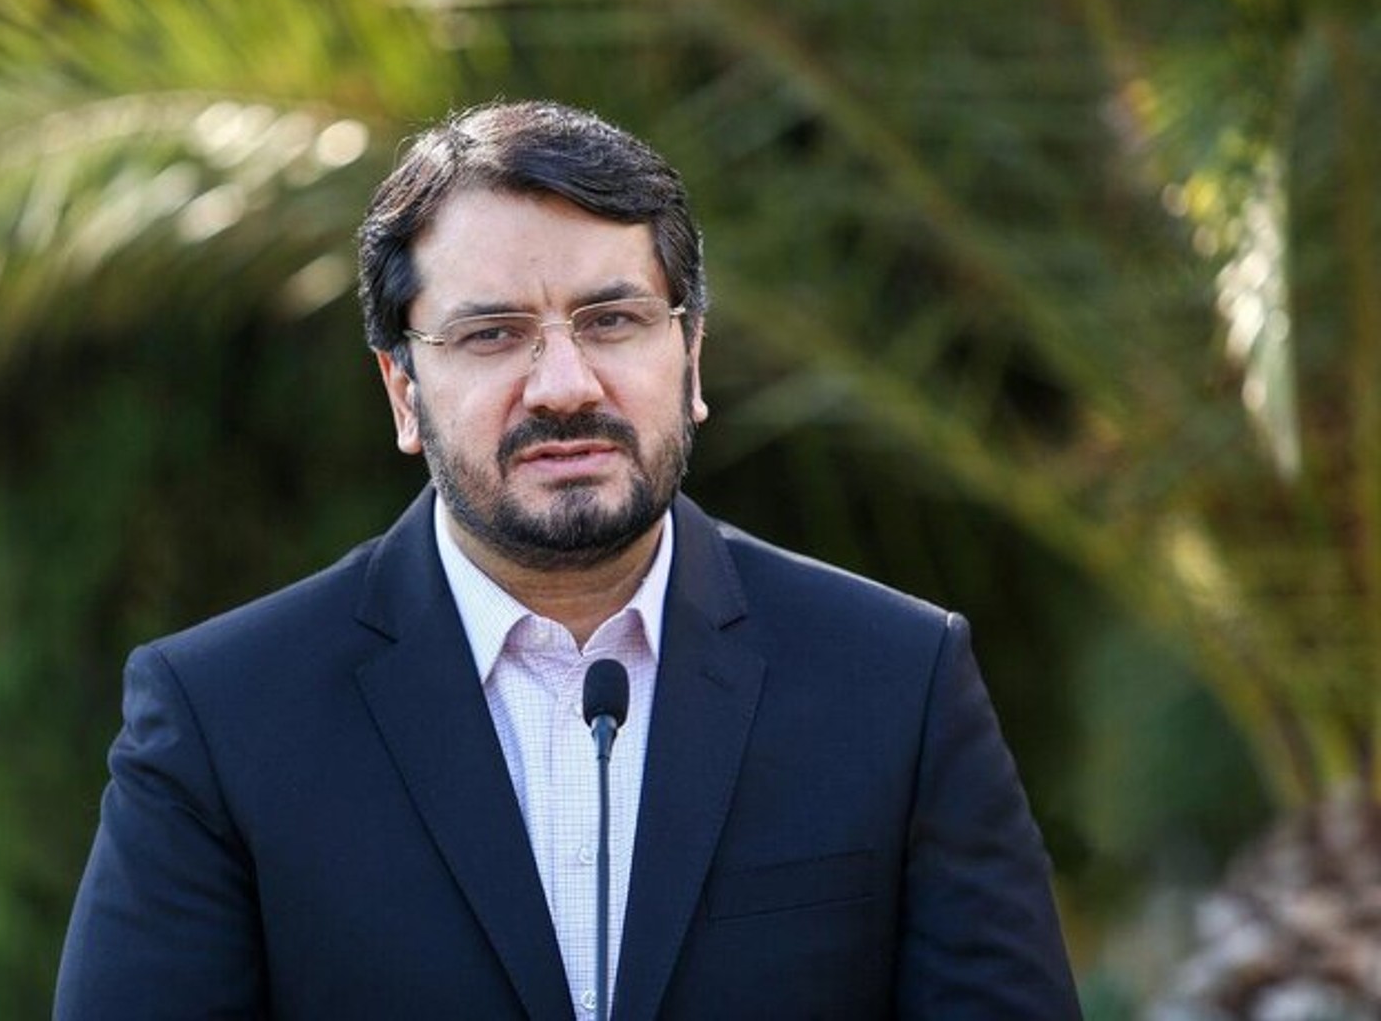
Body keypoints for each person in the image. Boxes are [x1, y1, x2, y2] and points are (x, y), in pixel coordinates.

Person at [55, 100, 1080, 1019]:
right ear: (403, 392)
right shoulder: (225, 718)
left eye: (612, 320)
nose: (563, 384)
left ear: (690, 356)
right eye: (493, 334)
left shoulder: (894, 680)